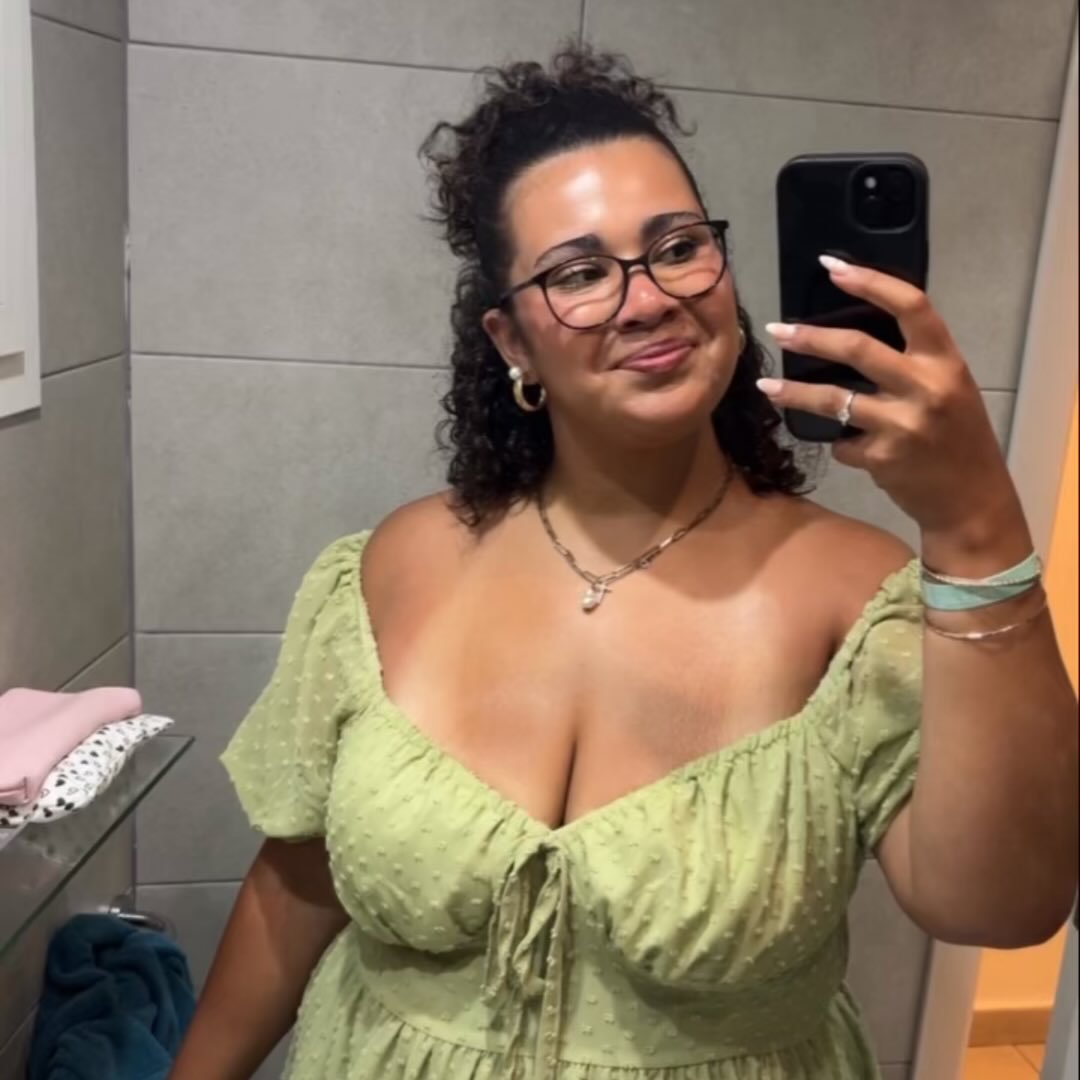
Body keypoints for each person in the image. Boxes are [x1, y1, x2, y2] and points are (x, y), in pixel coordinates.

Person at [168, 45, 1078, 1080]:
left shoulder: (855, 599)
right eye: (580, 273)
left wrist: (975, 527)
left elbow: (1003, 905)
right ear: (512, 341)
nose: (647, 300)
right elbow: (295, 885)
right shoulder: (392, 568)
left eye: (678, 248)